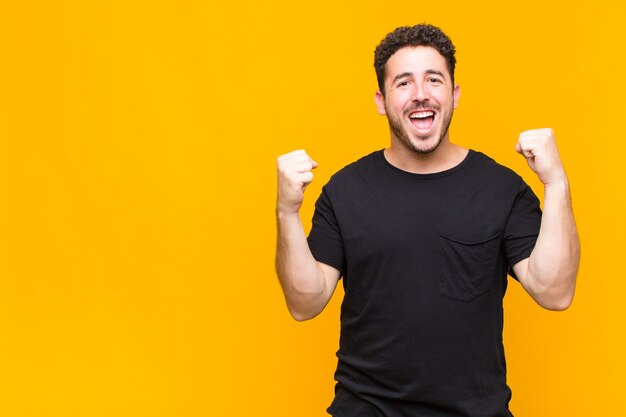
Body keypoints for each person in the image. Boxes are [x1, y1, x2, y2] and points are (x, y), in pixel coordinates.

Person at [275, 24, 579, 417]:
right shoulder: (345, 191)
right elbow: (305, 302)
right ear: (381, 101)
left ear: (453, 95)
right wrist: (286, 212)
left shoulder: (502, 188)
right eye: (403, 83)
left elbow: (554, 293)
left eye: (434, 79)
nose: (421, 93)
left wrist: (556, 183)